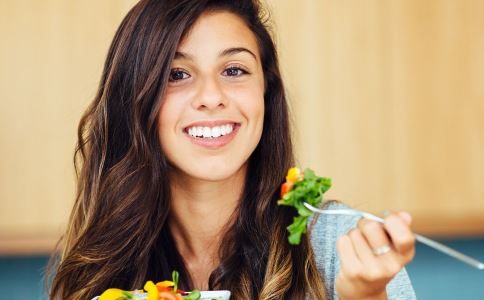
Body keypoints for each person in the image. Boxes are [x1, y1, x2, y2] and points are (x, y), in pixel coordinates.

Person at [48, 0, 417, 299]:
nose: (211, 97)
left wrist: (365, 297)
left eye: (234, 70)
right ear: (135, 102)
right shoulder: (98, 263)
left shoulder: (341, 246)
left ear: (266, 94)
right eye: (177, 74)